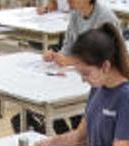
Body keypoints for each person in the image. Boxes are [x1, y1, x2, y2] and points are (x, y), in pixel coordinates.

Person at [31, 24, 129, 146]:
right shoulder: (98, 87)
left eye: (86, 73)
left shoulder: (127, 96)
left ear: (105, 66)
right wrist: (51, 141)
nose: (83, 79)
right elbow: (80, 136)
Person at [13, 0, 119, 135]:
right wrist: (56, 56)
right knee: (48, 98)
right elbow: (68, 45)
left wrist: (71, 60)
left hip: (99, 79)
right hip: (78, 75)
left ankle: (75, 135)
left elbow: (105, 58)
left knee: (71, 109)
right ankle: (68, 135)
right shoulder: (76, 14)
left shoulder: (105, 18)